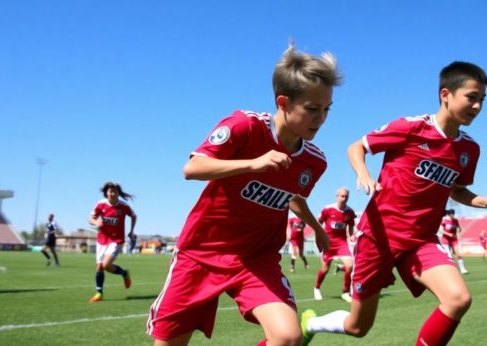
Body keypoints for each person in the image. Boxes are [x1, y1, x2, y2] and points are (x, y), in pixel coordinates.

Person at [301, 61, 487, 346]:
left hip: (420, 241)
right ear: (445, 94)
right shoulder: (411, 128)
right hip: (379, 238)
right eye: (471, 98)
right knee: (358, 326)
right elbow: (357, 146)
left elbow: (457, 190)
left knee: (458, 299)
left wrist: (484, 201)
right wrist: (363, 173)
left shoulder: (469, 149)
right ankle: (311, 324)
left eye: (482, 100)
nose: (477, 107)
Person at [146, 42, 341, 346]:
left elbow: (292, 196)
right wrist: (253, 163)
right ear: (283, 103)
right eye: (313, 109)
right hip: (202, 253)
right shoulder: (245, 126)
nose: (321, 118)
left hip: (255, 259)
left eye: (327, 109)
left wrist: (317, 229)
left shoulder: (314, 161)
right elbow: (193, 167)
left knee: (288, 337)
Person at [88, 182, 137, 303]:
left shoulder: (123, 206)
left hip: (116, 240)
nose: (112, 193)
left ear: (118, 193)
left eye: (115, 191)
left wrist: (131, 231)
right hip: (102, 239)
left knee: (105, 265)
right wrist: (96, 222)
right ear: (106, 193)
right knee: (99, 266)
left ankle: (124, 274)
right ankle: (99, 293)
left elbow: (134, 216)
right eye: (110, 191)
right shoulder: (101, 204)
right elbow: (90, 218)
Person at [313, 187, 356, 303]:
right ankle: (317, 288)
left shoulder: (350, 212)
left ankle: (345, 292)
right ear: (337, 196)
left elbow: (351, 225)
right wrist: (320, 237)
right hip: (328, 243)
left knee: (350, 266)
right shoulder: (328, 209)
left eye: (346, 196)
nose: (344, 198)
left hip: (342, 243)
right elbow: (318, 223)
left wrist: (351, 235)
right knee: (325, 269)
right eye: (342, 196)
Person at [439, 209, 468, 274]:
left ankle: (462, 269)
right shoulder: (444, 220)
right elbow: (441, 230)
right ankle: (451, 271)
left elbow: (458, 228)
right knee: (449, 256)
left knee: (459, 254)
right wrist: (448, 234)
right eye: (452, 214)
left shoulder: (455, 220)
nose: (453, 215)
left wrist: (459, 230)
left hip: (454, 239)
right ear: (448, 214)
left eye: (453, 214)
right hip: (446, 240)